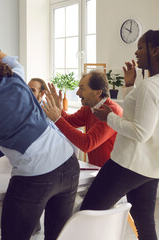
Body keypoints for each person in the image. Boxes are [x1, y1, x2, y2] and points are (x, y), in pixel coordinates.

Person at [0, 28, 79, 240]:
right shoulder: (13, 77)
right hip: (68, 162)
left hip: (35, 175)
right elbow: (15, 64)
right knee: (57, 237)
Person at [81, 30, 159, 240]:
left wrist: (109, 118)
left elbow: (140, 132)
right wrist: (130, 85)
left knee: (86, 216)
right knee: (144, 224)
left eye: (141, 47)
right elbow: (141, 114)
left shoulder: (150, 86)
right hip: (150, 168)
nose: (136, 51)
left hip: (127, 164)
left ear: (155, 50)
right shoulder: (149, 86)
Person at [42, 71, 123, 167]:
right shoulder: (89, 107)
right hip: (95, 167)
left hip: (111, 170)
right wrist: (59, 108)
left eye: (82, 88)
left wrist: (57, 118)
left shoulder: (111, 111)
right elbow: (70, 122)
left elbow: (87, 144)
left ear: (98, 92)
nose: (77, 93)